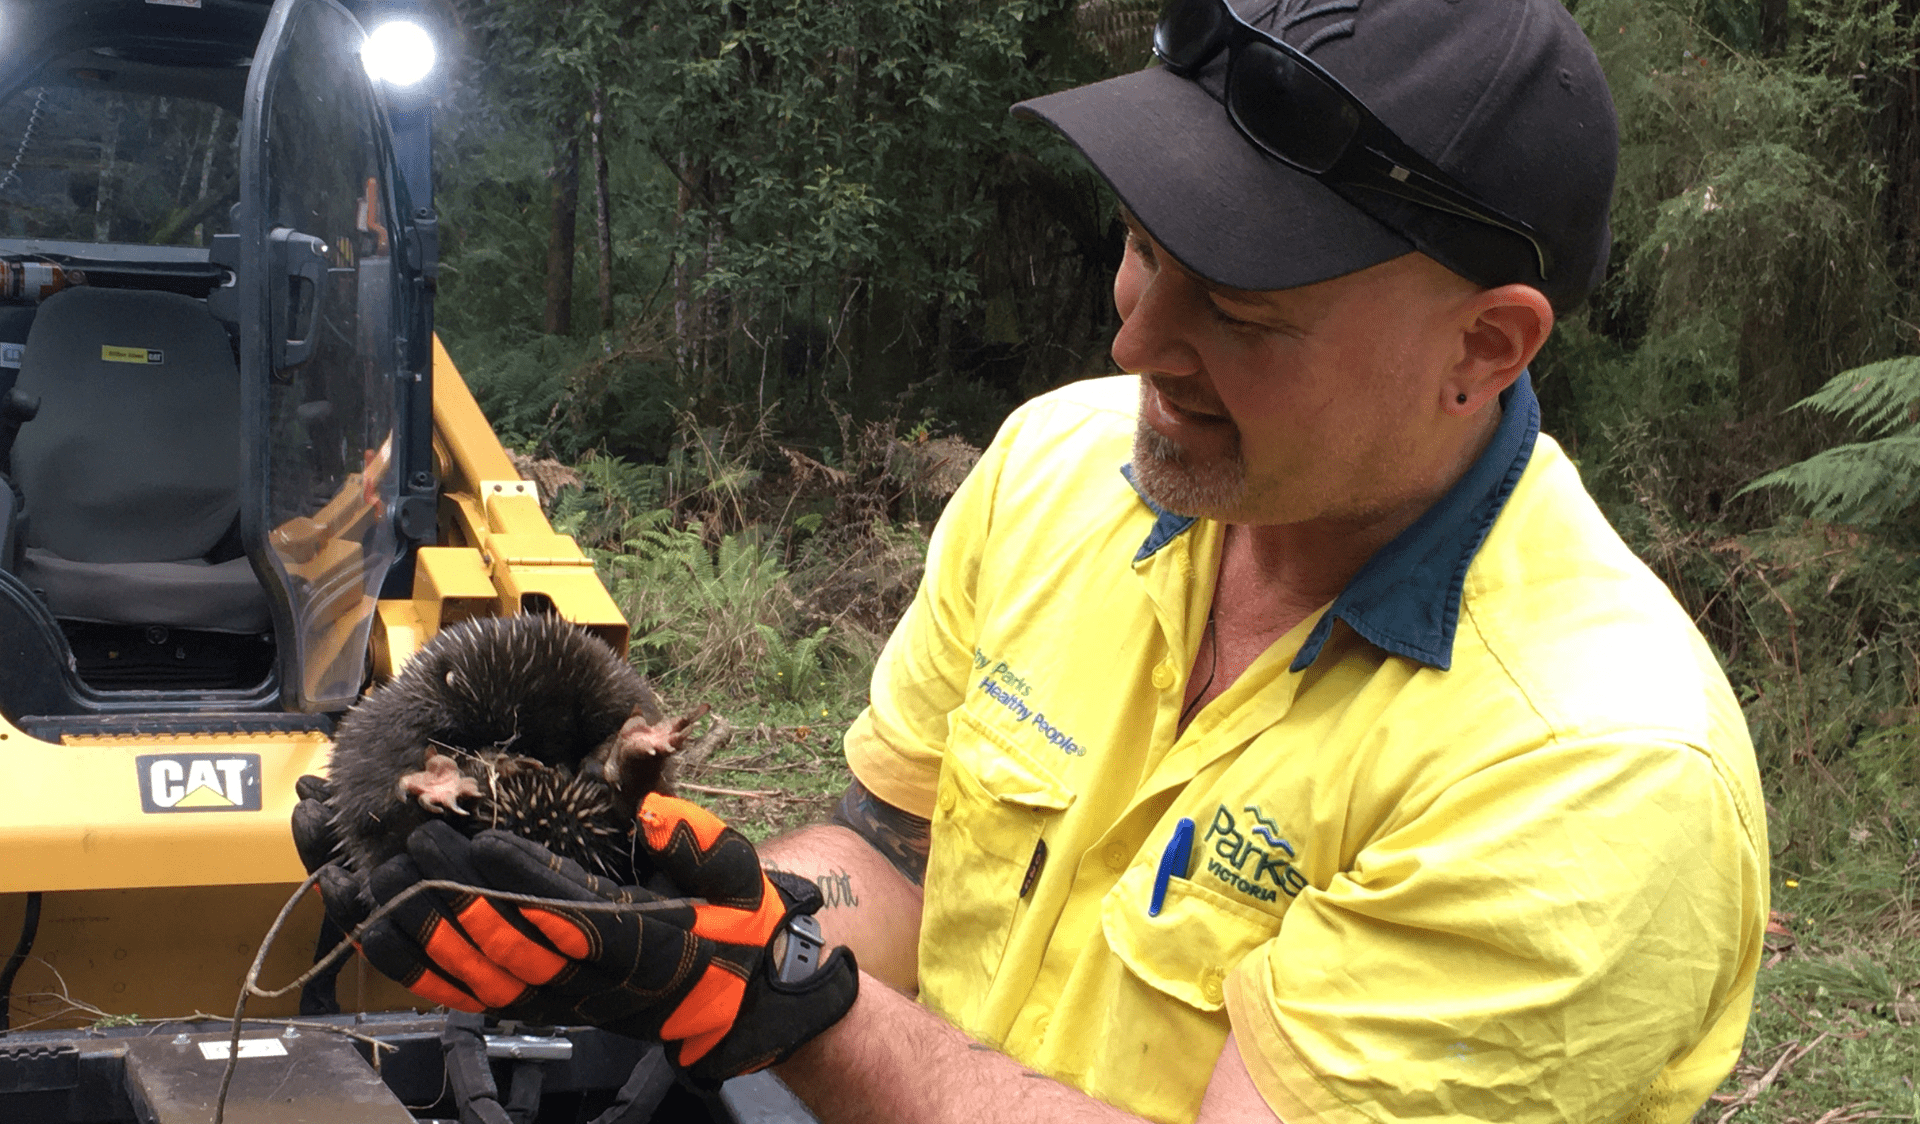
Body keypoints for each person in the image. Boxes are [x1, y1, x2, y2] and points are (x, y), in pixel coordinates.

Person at [295, 0, 1769, 1120]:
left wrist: (775, 1001)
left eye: (1243, 310)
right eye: (1139, 246)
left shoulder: (1591, 769)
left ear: (1484, 344)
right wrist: (631, 901)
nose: (1137, 346)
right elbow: (892, 869)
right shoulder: (1067, 469)